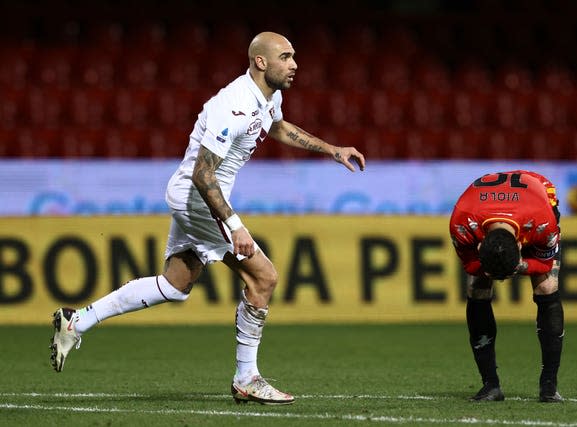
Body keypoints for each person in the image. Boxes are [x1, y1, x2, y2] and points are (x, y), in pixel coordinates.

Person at [49, 31, 366, 405]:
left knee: (175, 286)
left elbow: (277, 126)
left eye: (294, 56)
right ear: (260, 62)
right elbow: (203, 174)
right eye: (286, 57)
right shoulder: (233, 106)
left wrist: (332, 149)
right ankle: (247, 377)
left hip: (194, 197)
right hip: (196, 199)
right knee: (264, 277)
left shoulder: (269, 97)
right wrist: (235, 226)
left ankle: (77, 320)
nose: (294, 64)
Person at [449, 170, 564, 403]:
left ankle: (549, 386)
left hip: (538, 195)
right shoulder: (462, 222)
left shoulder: (544, 221)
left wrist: (519, 266)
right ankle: (490, 385)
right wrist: (499, 267)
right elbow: (472, 266)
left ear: (522, 247)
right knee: (477, 286)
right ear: (480, 245)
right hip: (487, 207)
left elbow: (543, 263)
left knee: (547, 286)